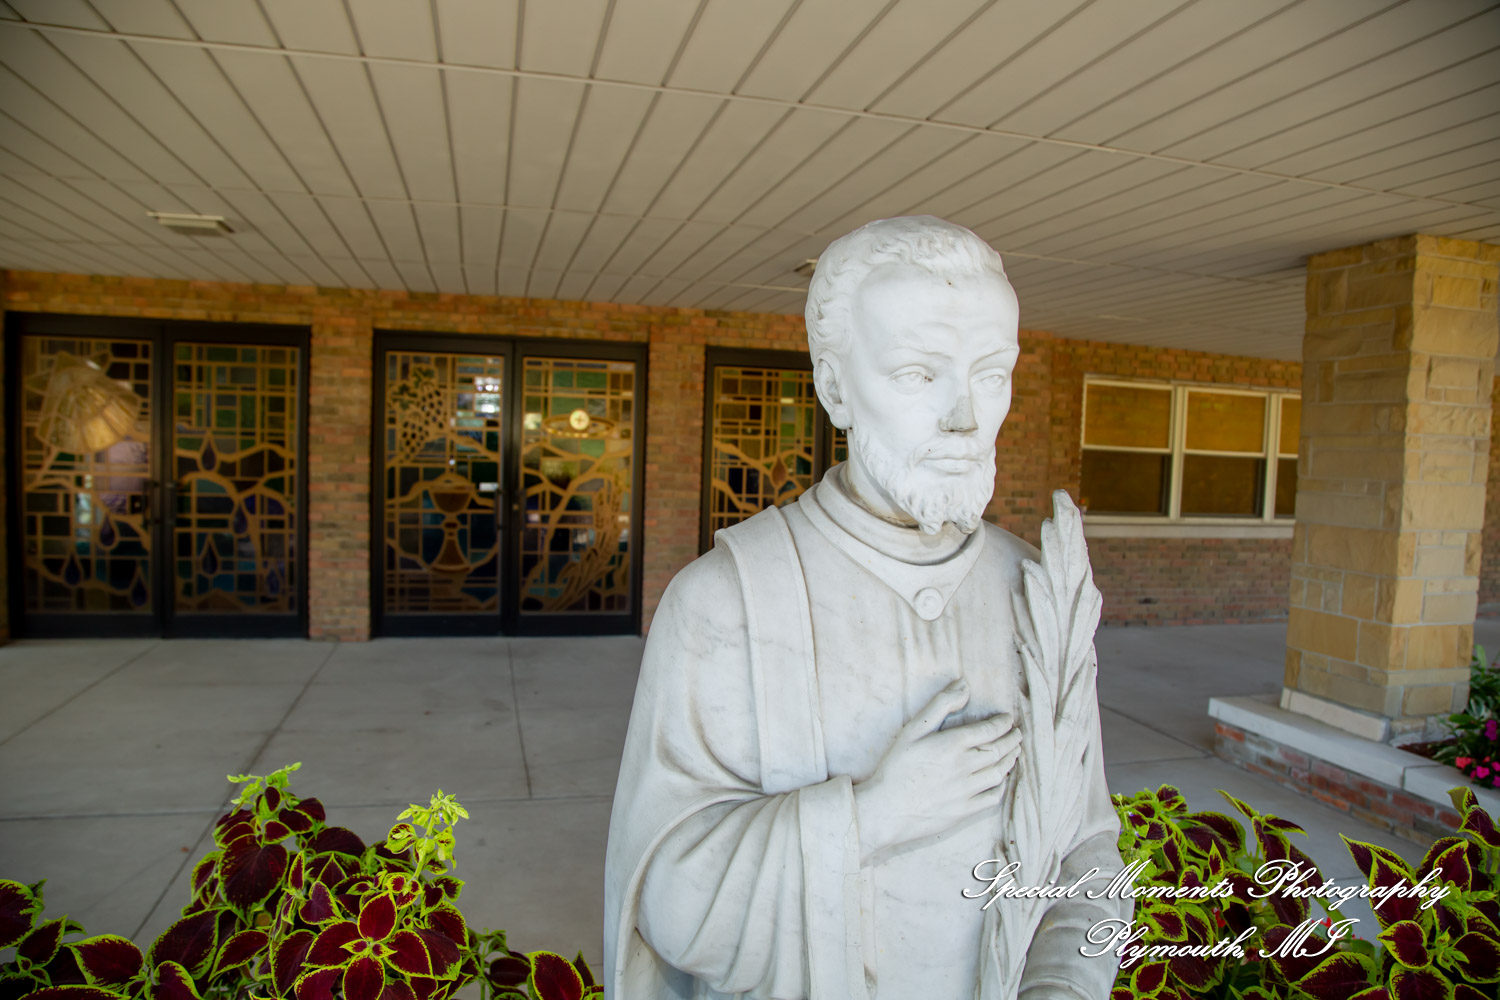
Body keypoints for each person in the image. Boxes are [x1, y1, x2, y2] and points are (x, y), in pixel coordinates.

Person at [604, 216, 1127, 999]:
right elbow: (669, 904)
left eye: (991, 374)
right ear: (836, 387)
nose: (965, 418)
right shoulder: (727, 603)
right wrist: (872, 818)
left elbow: (1084, 849)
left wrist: (1060, 986)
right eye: (918, 374)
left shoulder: (1037, 591)